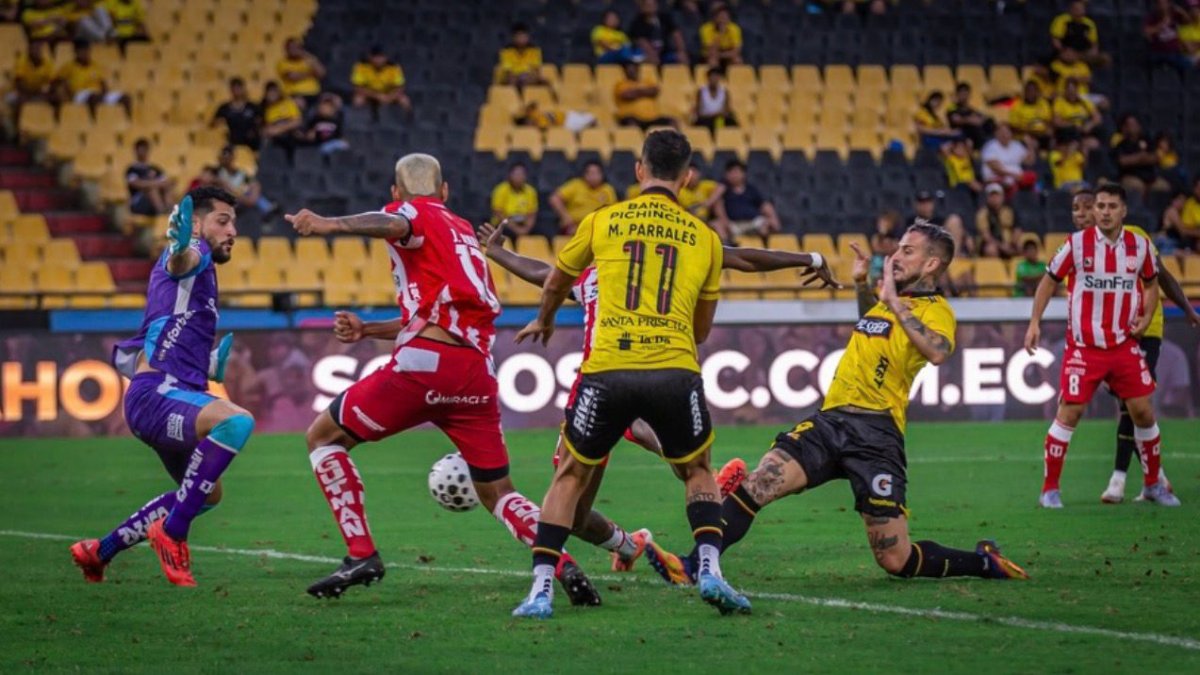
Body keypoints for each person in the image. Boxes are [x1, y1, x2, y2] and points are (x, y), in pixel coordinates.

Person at [284, 153, 602, 606]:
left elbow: (396, 224)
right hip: (475, 373)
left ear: (396, 192)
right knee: (499, 493)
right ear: (446, 190)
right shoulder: (464, 234)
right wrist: (369, 330)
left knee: (323, 438)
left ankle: (361, 553)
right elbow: (440, 314)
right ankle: (562, 564)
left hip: (423, 367)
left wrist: (328, 224)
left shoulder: (412, 213)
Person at [642, 224, 1029, 587]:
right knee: (758, 484)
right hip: (830, 422)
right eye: (897, 249)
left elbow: (938, 351)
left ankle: (984, 562)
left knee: (896, 559)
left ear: (931, 264)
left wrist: (894, 303)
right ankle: (693, 565)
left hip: (876, 435)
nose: (895, 256)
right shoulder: (888, 303)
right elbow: (874, 324)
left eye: (907, 251)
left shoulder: (935, 310)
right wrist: (862, 286)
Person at [478, 220, 838, 574]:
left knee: (622, 437)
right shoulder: (596, 279)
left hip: (613, 384)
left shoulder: (636, 273)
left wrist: (809, 258)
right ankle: (631, 543)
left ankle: (703, 487)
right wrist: (498, 254)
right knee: (574, 515)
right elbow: (545, 273)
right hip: (609, 389)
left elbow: (740, 257)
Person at [510, 129, 749, 619]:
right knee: (698, 471)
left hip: (608, 370)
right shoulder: (704, 238)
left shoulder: (603, 220)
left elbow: (554, 280)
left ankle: (540, 591)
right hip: (673, 370)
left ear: (639, 170)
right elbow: (701, 330)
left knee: (570, 476)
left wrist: (546, 318)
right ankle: (710, 570)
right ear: (687, 178)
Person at [70, 188, 253, 587]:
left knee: (205, 495)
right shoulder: (195, 252)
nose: (233, 231)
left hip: (169, 394)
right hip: (156, 395)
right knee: (236, 422)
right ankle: (172, 534)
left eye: (234, 223)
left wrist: (207, 364)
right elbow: (179, 262)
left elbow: (166, 326)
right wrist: (181, 244)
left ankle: (98, 552)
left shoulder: (202, 278)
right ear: (197, 224)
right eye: (223, 221)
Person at [1024, 184, 1179, 508]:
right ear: (1095, 210)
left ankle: (1153, 484)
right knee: (1071, 412)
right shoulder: (1076, 244)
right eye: (1101, 206)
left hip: (1123, 345)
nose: (1105, 212)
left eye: (1112, 206)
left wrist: (1146, 315)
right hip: (1085, 347)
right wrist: (1034, 322)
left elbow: (1152, 284)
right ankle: (1049, 490)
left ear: (1124, 210)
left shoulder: (1140, 246)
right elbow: (1048, 280)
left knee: (1143, 411)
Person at [54, 39, 130, 114]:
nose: (85, 53)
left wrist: (106, 94)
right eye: (82, 51)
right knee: (93, 97)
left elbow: (103, 83)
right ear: (76, 52)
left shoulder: (96, 66)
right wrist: (66, 95)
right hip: (79, 95)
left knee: (125, 98)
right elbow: (58, 82)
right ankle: (94, 119)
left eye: (86, 51)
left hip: (98, 95)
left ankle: (127, 119)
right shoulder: (68, 67)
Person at [712, 159, 780, 240]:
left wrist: (773, 217)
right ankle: (728, 245)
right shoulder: (723, 191)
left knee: (767, 223)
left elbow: (764, 205)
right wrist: (724, 220)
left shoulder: (751, 190)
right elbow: (717, 206)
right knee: (716, 224)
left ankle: (763, 244)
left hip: (753, 223)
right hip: (734, 225)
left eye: (736, 172)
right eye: (730, 172)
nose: (734, 175)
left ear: (743, 174)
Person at [549, 161, 618, 235]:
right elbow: (554, 199)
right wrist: (565, 217)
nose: (593, 176)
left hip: (598, 228)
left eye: (596, 173)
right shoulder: (576, 185)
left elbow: (614, 211)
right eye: (590, 173)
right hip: (574, 226)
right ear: (585, 174)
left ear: (602, 175)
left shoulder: (608, 189)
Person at [1112, 114, 1172, 198]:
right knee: (1138, 186)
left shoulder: (1147, 141)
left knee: (1164, 186)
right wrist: (1139, 157)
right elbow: (1122, 161)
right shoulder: (1121, 144)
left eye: (1135, 124)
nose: (1133, 127)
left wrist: (1141, 159)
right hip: (1130, 176)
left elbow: (1155, 157)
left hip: (1149, 177)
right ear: (1124, 127)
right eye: (1130, 124)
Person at [215, 145, 277, 220]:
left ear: (232, 157)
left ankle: (267, 209)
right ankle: (266, 208)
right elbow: (224, 188)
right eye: (224, 156)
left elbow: (252, 183)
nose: (226, 159)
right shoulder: (217, 172)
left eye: (228, 156)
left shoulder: (239, 172)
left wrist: (253, 189)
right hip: (229, 198)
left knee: (252, 190)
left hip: (242, 194)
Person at [5, 40, 56, 131]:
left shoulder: (47, 64)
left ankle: (45, 127)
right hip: (20, 92)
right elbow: (19, 82)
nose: (36, 51)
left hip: (37, 93)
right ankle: (16, 128)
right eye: (33, 48)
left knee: (52, 99)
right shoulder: (22, 61)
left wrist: (45, 94)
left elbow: (52, 83)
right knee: (15, 100)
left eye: (38, 48)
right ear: (29, 49)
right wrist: (28, 94)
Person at [614, 61, 675, 130]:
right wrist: (645, 91)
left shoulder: (647, 81)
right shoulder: (621, 84)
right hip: (632, 117)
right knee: (631, 124)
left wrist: (636, 92)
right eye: (629, 69)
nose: (632, 71)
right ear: (625, 71)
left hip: (652, 117)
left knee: (671, 121)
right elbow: (627, 95)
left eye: (634, 68)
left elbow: (655, 90)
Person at [350, 45, 411, 112]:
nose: (378, 60)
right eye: (375, 57)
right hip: (369, 94)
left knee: (404, 100)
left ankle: (409, 117)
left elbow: (400, 87)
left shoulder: (394, 67)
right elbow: (358, 87)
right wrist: (377, 96)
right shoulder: (361, 65)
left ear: (386, 57)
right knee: (358, 100)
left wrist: (389, 97)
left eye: (381, 57)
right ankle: (358, 118)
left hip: (388, 94)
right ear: (370, 57)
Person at [126, 137, 175, 217]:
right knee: (151, 189)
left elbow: (166, 182)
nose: (142, 152)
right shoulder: (132, 169)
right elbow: (136, 184)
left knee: (166, 188)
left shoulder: (155, 168)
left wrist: (153, 183)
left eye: (144, 149)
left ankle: (170, 210)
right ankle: (161, 212)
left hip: (155, 202)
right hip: (139, 202)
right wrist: (155, 183)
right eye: (140, 149)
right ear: (135, 151)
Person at [629, 0, 688, 66]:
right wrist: (652, 54)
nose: (651, 7)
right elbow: (642, 42)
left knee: (681, 57)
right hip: (646, 54)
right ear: (642, 7)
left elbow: (676, 34)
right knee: (648, 60)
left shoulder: (664, 18)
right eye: (647, 5)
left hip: (664, 53)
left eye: (652, 4)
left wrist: (681, 50)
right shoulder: (637, 23)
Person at [981, 123, 1036, 193]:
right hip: (996, 178)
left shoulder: (1016, 145)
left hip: (1016, 179)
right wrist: (1014, 175)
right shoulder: (991, 146)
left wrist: (1030, 145)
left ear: (1011, 134)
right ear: (996, 133)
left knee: (1031, 176)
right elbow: (996, 168)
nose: (1004, 135)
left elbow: (1029, 162)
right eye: (1001, 132)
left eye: (1007, 132)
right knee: (1007, 183)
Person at [1050, 0, 1108, 66]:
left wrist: (1093, 51)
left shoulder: (1089, 23)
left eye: (1081, 9)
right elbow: (1055, 40)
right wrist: (1063, 50)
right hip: (1067, 52)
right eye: (1076, 9)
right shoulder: (1062, 20)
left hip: (1083, 53)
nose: (1078, 11)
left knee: (1104, 58)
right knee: (1068, 56)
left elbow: (1094, 43)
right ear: (1071, 9)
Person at [210, 77, 262, 150]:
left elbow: (261, 123)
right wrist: (218, 123)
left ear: (243, 89)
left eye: (239, 88)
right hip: (231, 143)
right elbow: (212, 125)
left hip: (251, 144)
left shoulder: (253, 107)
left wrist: (256, 130)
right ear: (231, 90)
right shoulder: (224, 108)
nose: (237, 91)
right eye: (234, 88)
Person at [1144, 0, 1196, 73]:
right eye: (1160, 3)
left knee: (1190, 66)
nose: (1163, 6)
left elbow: (1188, 22)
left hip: (1175, 53)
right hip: (1158, 53)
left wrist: (1182, 12)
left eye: (1165, 3)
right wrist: (1162, 24)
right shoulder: (1152, 16)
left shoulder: (1174, 14)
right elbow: (1146, 32)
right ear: (1156, 5)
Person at [1052, 77, 1101, 151]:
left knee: (1094, 143)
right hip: (1067, 133)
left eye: (1073, 91)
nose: (1071, 94)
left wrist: (1090, 124)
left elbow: (1098, 117)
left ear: (1077, 90)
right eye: (1069, 91)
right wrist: (1073, 126)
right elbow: (1057, 122)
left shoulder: (1084, 102)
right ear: (1065, 91)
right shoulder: (1059, 102)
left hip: (1082, 133)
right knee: (1075, 144)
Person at [490, 163, 538, 236]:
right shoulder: (501, 190)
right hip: (505, 223)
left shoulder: (531, 191)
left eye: (522, 174)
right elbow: (498, 213)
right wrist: (516, 229)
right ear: (510, 175)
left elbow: (532, 214)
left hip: (523, 223)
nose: (519, 177)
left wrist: (527, 229)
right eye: (516, 174)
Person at [276, 37, 325, 108]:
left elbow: (321, 73)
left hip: (315, 94)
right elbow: (293, 77)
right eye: (291, 48)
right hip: (296, 95)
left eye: (297, 47)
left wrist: (306, 55)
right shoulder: (283, 63)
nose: (294, 50)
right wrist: (312, 74)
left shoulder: (308, 59)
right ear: (286, 49)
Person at [975, 183, 1020, 259]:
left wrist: (1012, 243)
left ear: (1002, 197)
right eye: (992, 196)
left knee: (1021, 246)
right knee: (991, 250)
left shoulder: (1009, 211)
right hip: (992, 244)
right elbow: (986, 236)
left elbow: (1017, 229)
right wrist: (1002, 246)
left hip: (1008, 243)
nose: (994, 198)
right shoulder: (982, 214)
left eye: (997, 195)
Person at [497, 23, 546, 88]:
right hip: (512, 78)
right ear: (513, 38)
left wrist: (526, 77)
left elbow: (536, 69)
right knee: (511, 79)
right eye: (519, 37)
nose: (522, 39)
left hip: (528, 77)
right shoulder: (506, 51)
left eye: (524, 36)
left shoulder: (534, 50)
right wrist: (519, 77)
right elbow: (508, 71)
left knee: (537, 79)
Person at [946, 82, 992, 150]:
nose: (964, 96)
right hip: (963, 135)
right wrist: (970, 120)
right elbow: (956, 120)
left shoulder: (970, 109)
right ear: (957, 94)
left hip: (977, 135)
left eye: (966, 94)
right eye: (961, 94)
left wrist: (980, 119)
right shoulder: (952, 107)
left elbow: (981, 119)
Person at [1008, 80, 1053, 149]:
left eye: (1033, 91)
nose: (1030, 93)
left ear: (1038, 93)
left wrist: (1047, 130)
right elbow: (1013, 127)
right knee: (1031, 141)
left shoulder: (1043, 104)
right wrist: (1032, 132)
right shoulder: (1017, 106)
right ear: (1024, 92)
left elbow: (1048, 121)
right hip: (1024, 137)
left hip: (1042, 136)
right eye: (1028, 91)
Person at [261, 80, 303, 147]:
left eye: (274, 91)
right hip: (276, 138)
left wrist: (280, 129)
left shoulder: (287, 103)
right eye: (270, 91)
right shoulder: (265, 109)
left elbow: (297, 121)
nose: (272, 94)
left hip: (291, 133)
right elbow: (267, 128)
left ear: (279, 92)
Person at [692, 67, 736, 131]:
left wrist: (718, 114)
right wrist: (710, 115)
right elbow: (698, 111)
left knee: (730, 122)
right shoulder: (701, 91)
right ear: (708, 78)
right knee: (701, 123)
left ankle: (721, 133)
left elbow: (727, 110)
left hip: (719, 119)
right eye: (712, 77)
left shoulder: (724, 92)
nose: (714, 79)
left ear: (719, 78)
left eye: (716, 77)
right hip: (706, 119)